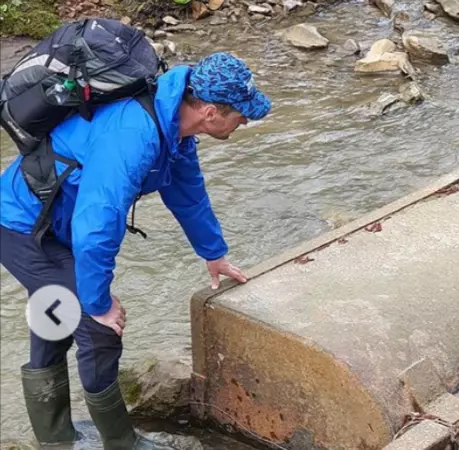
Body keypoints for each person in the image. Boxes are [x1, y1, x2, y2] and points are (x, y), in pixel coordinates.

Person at [0, 52, 271, 449]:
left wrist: (214, 254)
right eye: (242, 116)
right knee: (97, 329)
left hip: (56, 224)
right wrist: (98, 303)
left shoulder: (173, 127)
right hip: (21, 225)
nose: (244, 123)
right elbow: (97, 224)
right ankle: (120, 443)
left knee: (56, 307)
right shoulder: (134, 135)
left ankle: (55, 438)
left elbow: (188, 194)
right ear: (211, 112)